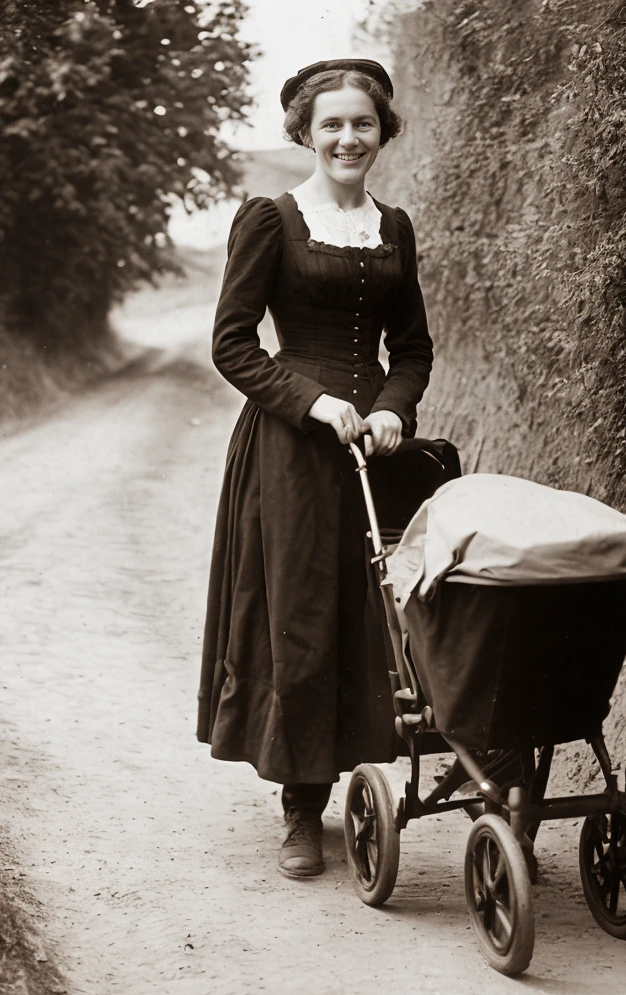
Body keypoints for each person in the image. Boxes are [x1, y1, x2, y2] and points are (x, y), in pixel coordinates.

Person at [196, 59, 433, 878]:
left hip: (375, 449)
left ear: (382, 131)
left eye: (361, 123)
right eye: (330, 124)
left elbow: (411, 348)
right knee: (298, 614)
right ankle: (302, 804)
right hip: (290, 453)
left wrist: (394, 408)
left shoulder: (394, 226)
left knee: (379, 614)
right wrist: (312, 403)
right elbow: (232, 345)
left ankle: (366, 775)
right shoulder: (272, 218)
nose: (347, 138)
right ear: (304, 130)